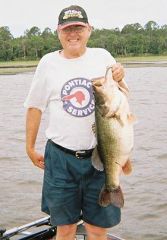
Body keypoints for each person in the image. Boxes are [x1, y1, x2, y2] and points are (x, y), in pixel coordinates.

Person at [24, 5, 129, 240]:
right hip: (60, 158)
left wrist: (121, 76)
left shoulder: (103, 56)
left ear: (89, 29)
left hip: (100, 157)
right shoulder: (48, 63)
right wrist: (30, 148)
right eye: (67, 29)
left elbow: (122, 96)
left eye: (78, 28)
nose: (73, 34)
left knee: (97, 230)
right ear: (58, 32)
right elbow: (34, 107)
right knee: (65, 229)